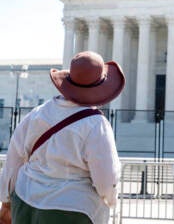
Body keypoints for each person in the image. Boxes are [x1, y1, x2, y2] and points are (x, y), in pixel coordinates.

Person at [0, 51, 125, 224]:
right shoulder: (96, 124)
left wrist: (6, 200)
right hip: (72, 208)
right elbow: (106, 179)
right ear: (99, 88)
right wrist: (111, 200)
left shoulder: (38, 113)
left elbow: (14, 159)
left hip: (26, 200)